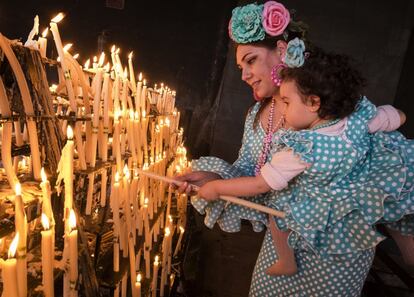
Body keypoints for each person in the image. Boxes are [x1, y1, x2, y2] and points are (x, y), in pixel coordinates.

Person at [175, 1, 413, 296]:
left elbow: (387, 172)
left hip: (336, 251)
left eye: (251, 61)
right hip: (285, 243)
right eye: (240, 67)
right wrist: (212, 180)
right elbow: (253, 176)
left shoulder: (335, 109)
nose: (244, 74)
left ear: (283, 49)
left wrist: (405, 237)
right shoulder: (256, 116)